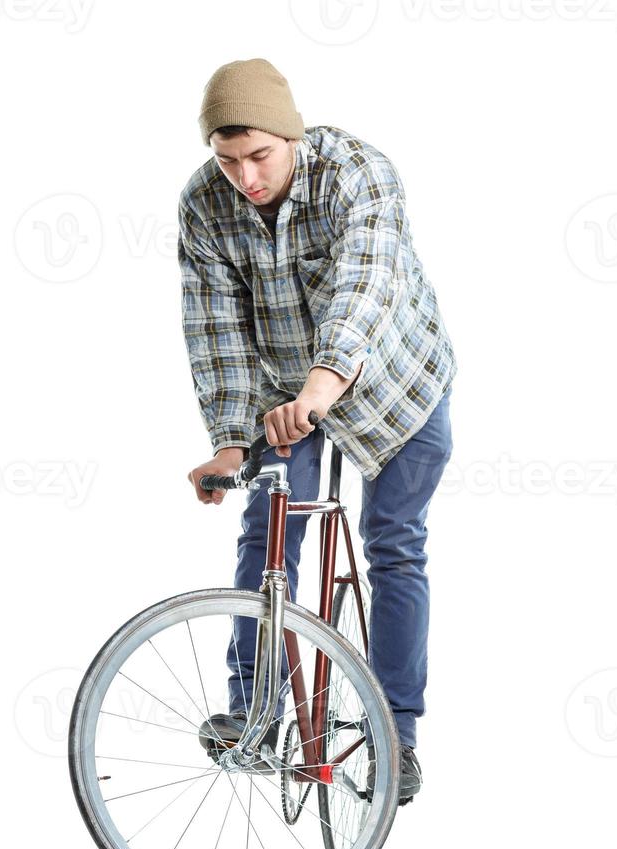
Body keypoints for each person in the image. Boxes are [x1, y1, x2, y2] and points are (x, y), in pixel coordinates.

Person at [178, 58, 458, 805]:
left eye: (259, 156)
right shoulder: (203, 204)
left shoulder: (356, 172)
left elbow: (365, 284)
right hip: (282, 393)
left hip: (395, 379)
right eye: (227, 159)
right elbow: (216, 328)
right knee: (266, 528)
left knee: (393, 546)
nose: (244, 176)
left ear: (291, 136)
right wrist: (231, 441)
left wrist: (324, 382)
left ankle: (395, 733)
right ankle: (253, 711)